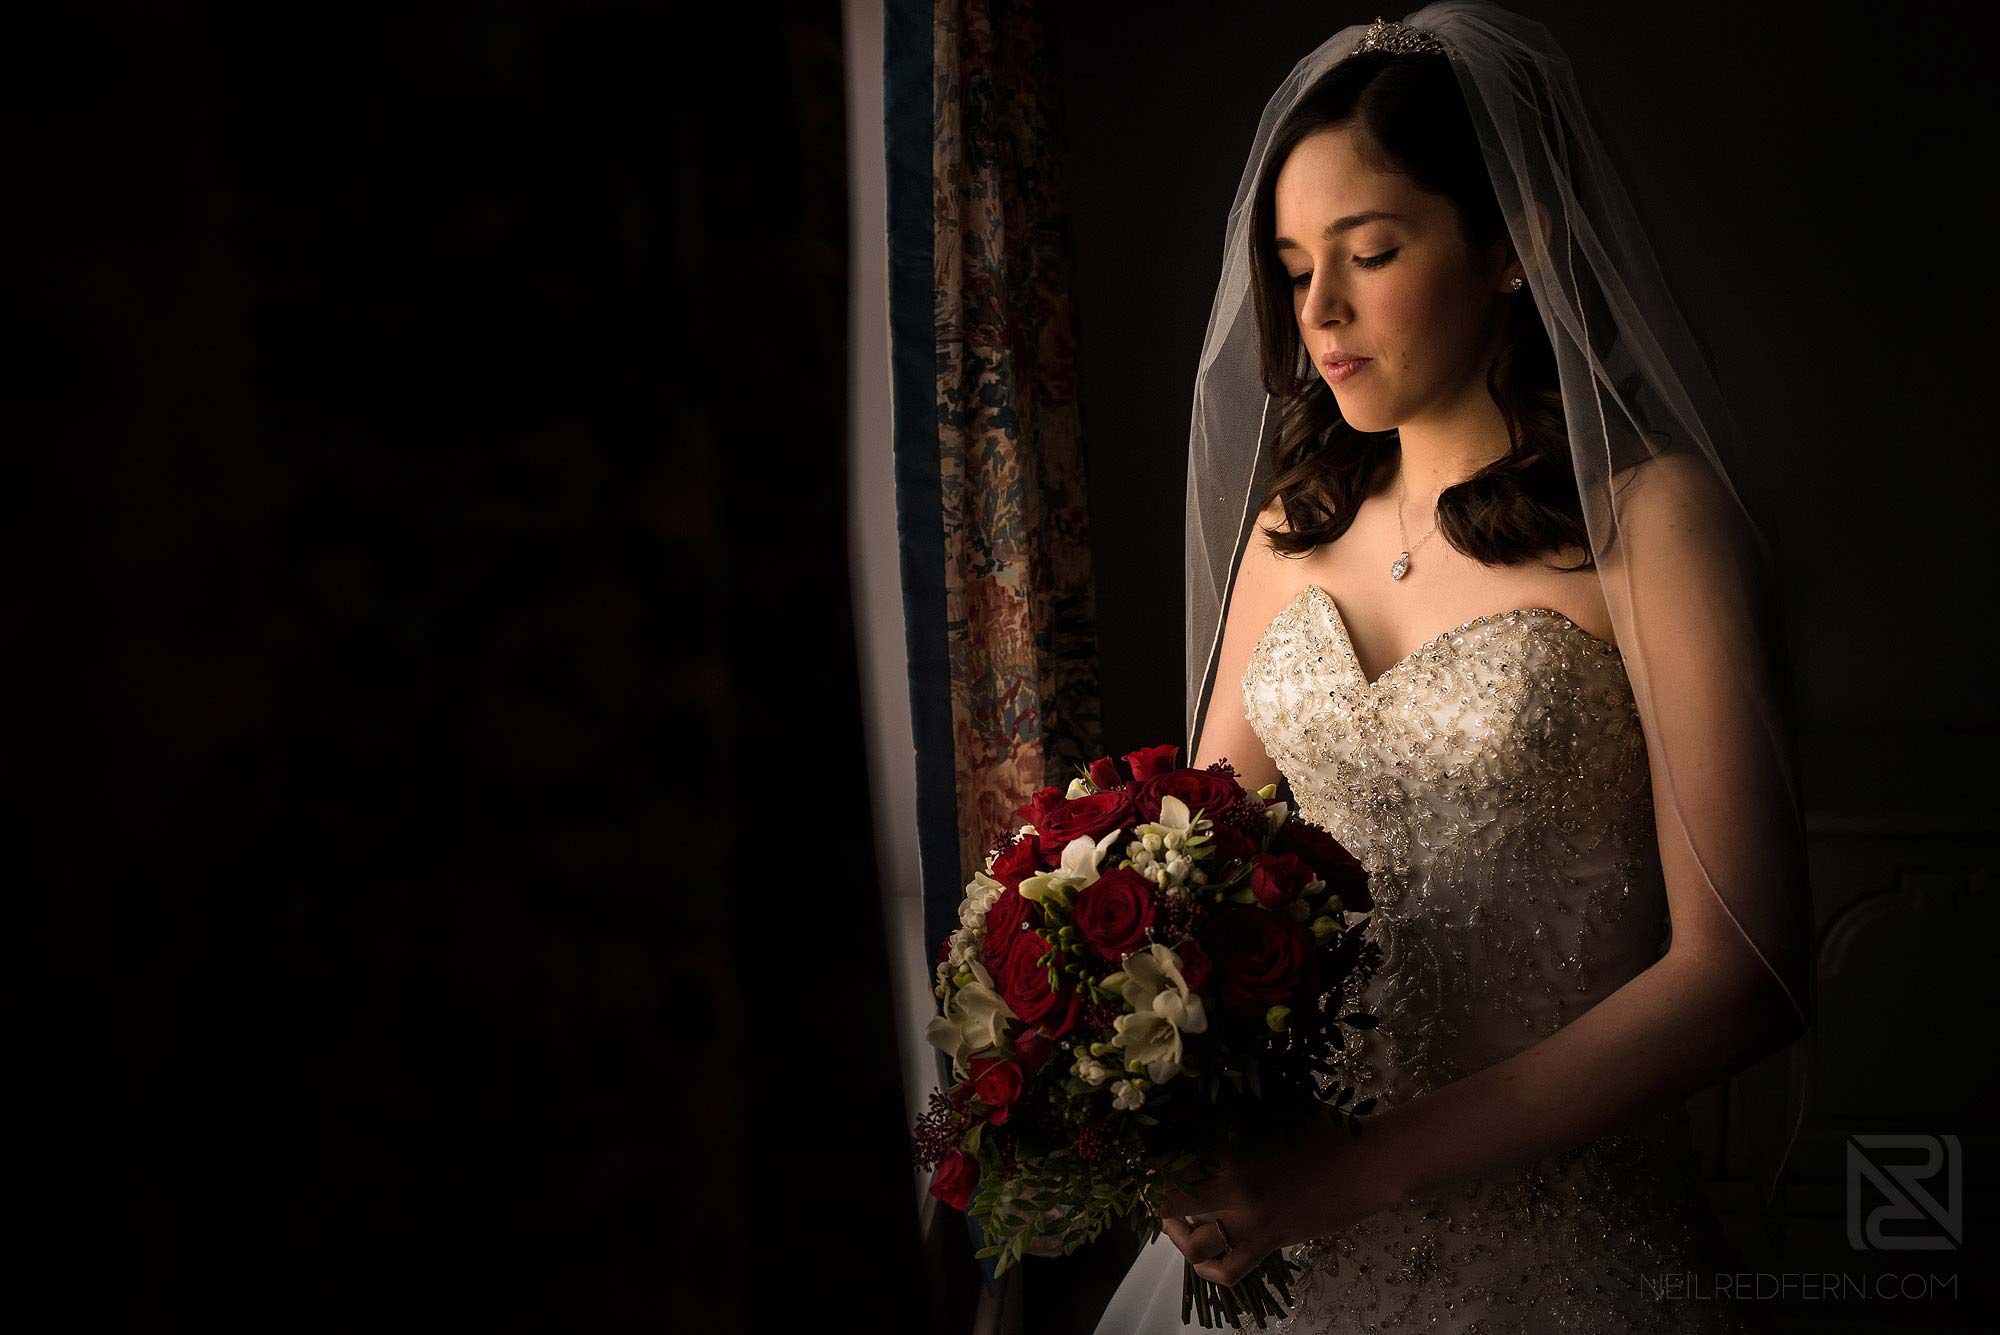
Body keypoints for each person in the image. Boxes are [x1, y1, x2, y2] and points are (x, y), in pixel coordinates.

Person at [1095, 6, 1815, 1332]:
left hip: (1560, 1251)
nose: (1318, 309)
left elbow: (1748, 972)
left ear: (1511, 247)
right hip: (1289, 1249)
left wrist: (1354, 1178)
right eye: (1296, 262)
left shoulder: (1650, 527)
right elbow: (1179, 896)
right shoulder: (1286, 537)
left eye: (1370, 252)